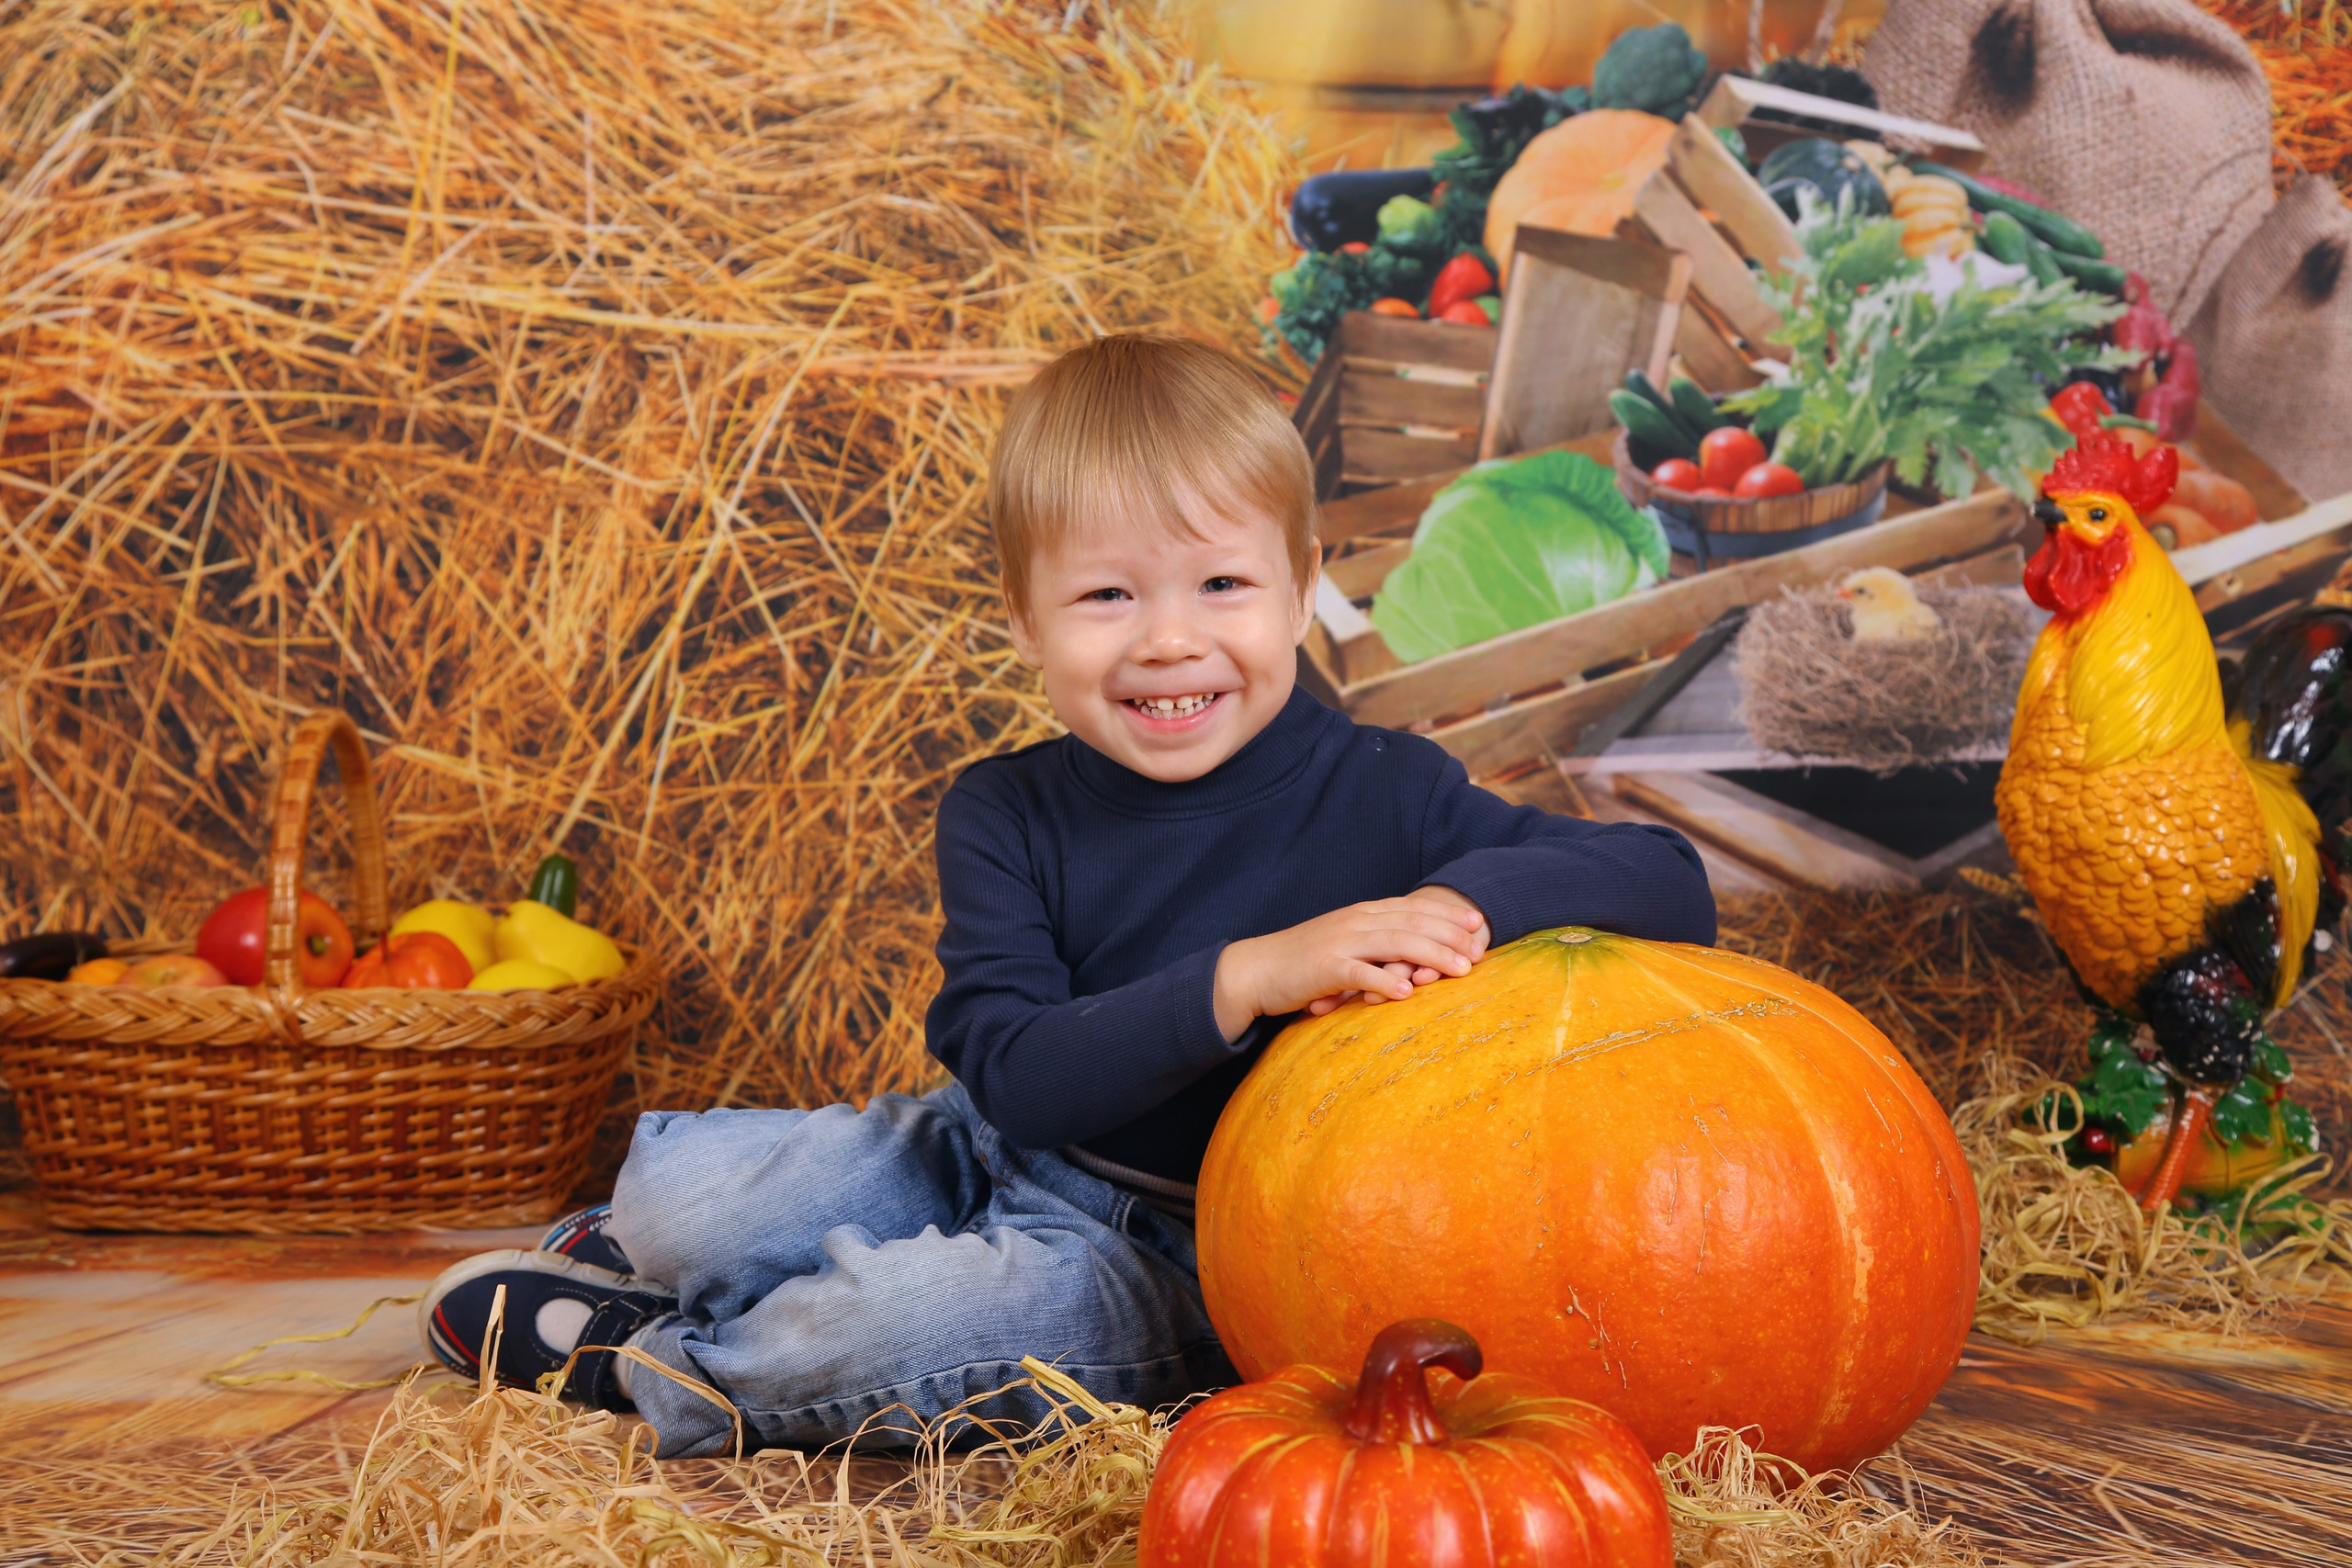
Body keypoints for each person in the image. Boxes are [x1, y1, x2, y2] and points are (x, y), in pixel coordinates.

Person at [416, 334, 1716, 1456]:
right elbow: (1020, 1078)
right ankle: (661, 1250)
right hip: (988, 1140)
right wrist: (1247, 978)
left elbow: (1666, 879)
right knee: (677, 1202)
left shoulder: (1387, 789)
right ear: (1025, 617)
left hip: (1180, 1259)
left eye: (1222, 585)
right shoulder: (1005, 810)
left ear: (1303, 582)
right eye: (1106, 596)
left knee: (897, 1332)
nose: (1168, 639)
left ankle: (667, 1364)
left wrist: (1456, 905)